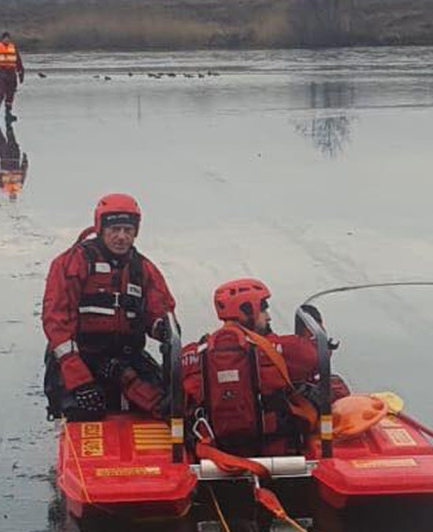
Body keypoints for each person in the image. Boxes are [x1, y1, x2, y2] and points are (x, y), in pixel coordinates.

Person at [42, 193, 176, 421]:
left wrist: (160, 328)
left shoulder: (142, 269)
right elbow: (57, 324)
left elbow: (160, 311)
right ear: (101, 229)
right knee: (85, 408)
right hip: (80, 358)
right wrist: (79, 380)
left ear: (136, 232)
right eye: (114, 230)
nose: (121, 237)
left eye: (127, 230)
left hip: (125, 358)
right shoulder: (72, 263)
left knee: (166, 404)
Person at [182, 278, 349, 458]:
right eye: (263, 309)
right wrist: (315, 327)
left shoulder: (194, 354)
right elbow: (315, 357)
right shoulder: (278, 349)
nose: (268, 316)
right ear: (247, 310)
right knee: (333, 386)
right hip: (275, 450)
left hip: (215, 449)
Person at [0, 31, 25, 122]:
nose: (7, 40)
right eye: (5, 38)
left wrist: (21, 73)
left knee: (10, 94)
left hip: (12, 74)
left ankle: (8, 114)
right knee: (0, 93)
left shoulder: (13, 47)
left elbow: (18, 61)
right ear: (2, 39)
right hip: (1, 73)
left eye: (8, 38)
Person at [0, 117, 28, 201]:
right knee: (11, 138)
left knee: (1, 140)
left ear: (9, 196)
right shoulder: (19, 185)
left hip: (5, 159)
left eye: (12, 196)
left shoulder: (3, 186)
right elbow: (24, 173)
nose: (13, 195)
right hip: (15, 157)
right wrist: (25, 161)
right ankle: (8, 123)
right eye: (14, 196)